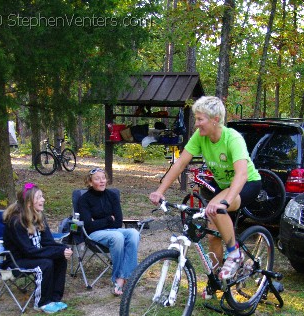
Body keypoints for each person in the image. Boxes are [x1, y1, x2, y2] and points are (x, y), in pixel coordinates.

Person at [149, 96, 262, 298]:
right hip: (224, 187)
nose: (197, 123)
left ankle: (235, 254)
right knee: (211, 236)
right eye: (196, 118)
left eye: (200, 119)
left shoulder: (232, 138)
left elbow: (242, 174)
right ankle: (216, 280)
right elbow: (179, 164)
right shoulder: (200, 137)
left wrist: (225, 202)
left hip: (247, 184)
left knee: (217, 208)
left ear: (215, 119)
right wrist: (160, 191)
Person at [3, 183, 73, 313]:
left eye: (42, 196)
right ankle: (41, 303)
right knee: (45, 264)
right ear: (29, 203)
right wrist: (57, 251)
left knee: (60, 257)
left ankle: (54, 298)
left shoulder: (39, 216)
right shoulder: (16, 222)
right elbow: (28, 251)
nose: (43, 200)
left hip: (32, 255)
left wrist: (63, 249)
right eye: (39, 197)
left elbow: (48, 242)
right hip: (16, 261)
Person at [78, 168, 140, 296]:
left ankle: (124, 276)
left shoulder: (112, 196)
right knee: (117, 236)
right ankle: (117, 278)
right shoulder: (84, 200)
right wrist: (108, 219)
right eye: (97, 179)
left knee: (134, 233)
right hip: (94, 235)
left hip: (113, 230)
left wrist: (98, 221)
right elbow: (89, 226)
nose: (101, 181)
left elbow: (118, 222)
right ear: (90, 182)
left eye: (103, 178)